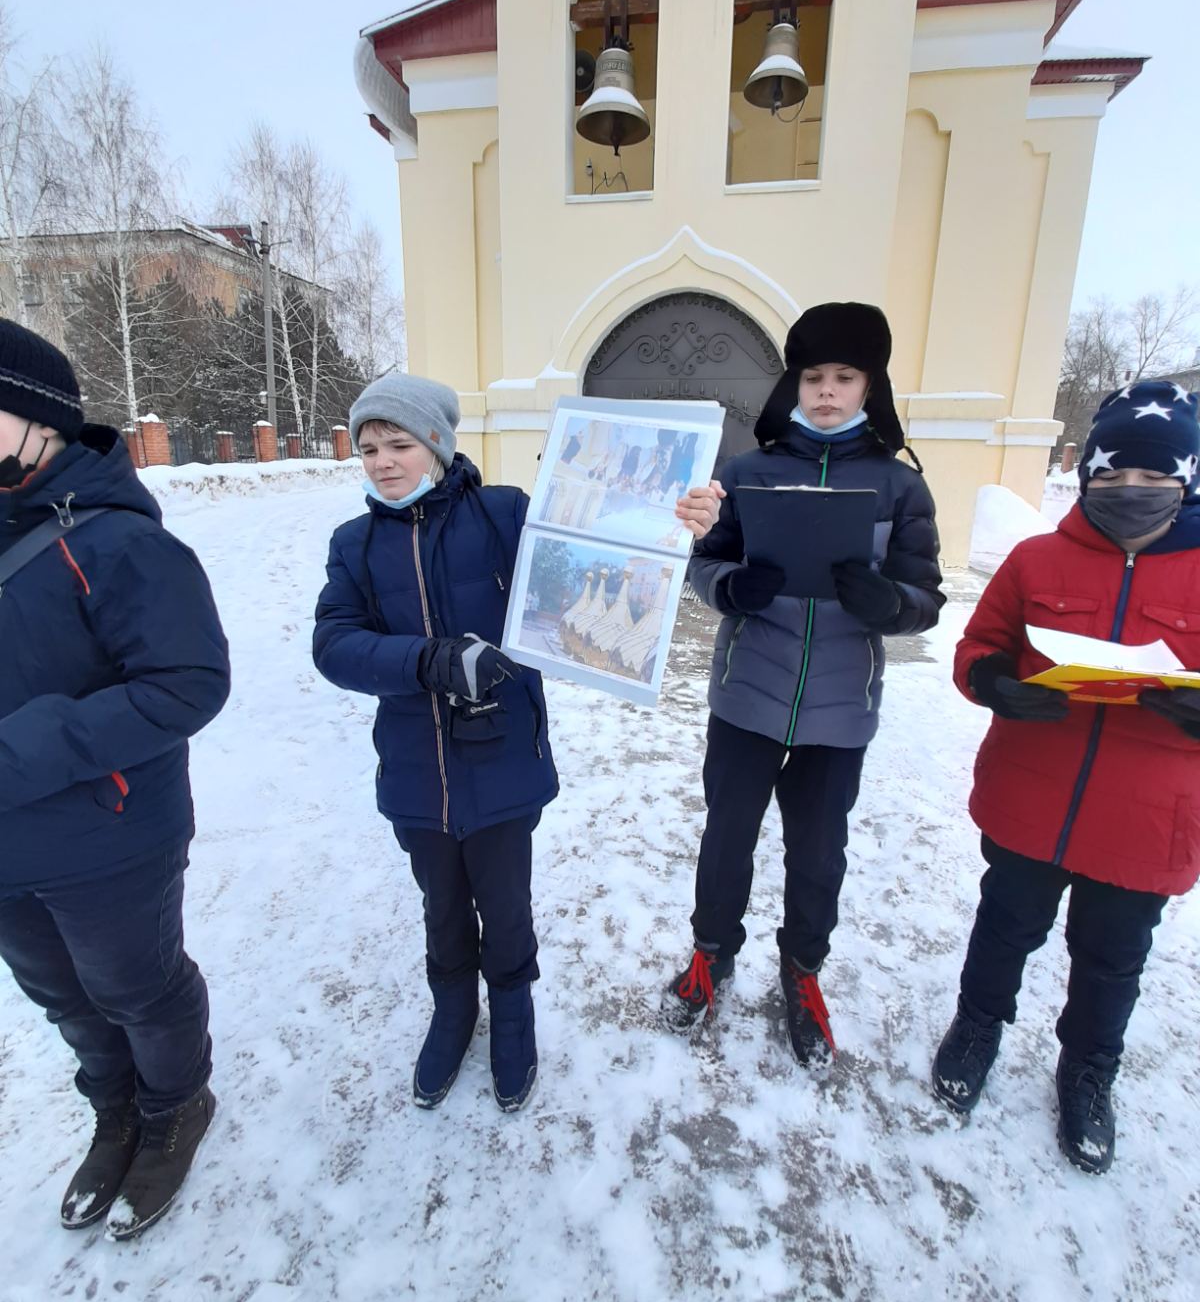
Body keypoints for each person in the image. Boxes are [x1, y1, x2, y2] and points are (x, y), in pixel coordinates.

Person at [313, 373, 722, 1113]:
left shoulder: (502, 515)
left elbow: (597, 545)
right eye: (368, 447)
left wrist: (682, 523)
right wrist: (427, 661)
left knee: (504, 906)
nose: (381, 461)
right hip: (415, 770)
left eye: (399, 443)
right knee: (441, 906)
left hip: (501, 758)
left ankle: (513, 1013)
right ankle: (453, 1009)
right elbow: (334, 644)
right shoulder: (355, 545)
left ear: (436, 445)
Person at [661, 303, 944, 1065]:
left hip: (839, 712)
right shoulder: (748, 472)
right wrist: (732, 588)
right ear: (794, 382)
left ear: (870, 385)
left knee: (818, 855)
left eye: (844, 377)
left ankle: (803, 972)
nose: (826, 392)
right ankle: (711, 954)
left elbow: (925, 598)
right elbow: (704, 563)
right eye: (813, 376)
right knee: (726, 838)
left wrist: (891, 604)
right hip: (748, 695)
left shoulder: (899, 488)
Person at [932, 380, 1200, 1173]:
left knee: (1112, 957)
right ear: (1088, 475)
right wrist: (993, 685)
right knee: (1003, 927)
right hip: (1031, 793)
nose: (1131, 496)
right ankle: (976, 1027)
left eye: (1153, 483)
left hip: (1149, 817)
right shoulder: (1035, 558)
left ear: (1187, 480)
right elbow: (977, 647)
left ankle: (1089, 1071)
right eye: (1114, 480)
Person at [0, 320, 230, 1239]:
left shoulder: (119, 543)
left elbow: (190, 681)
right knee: (59, 995)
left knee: (137, 987)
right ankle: (116, 1111)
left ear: (37, 421)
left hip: (108, 835)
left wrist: (23, 750)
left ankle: (176, 1108)